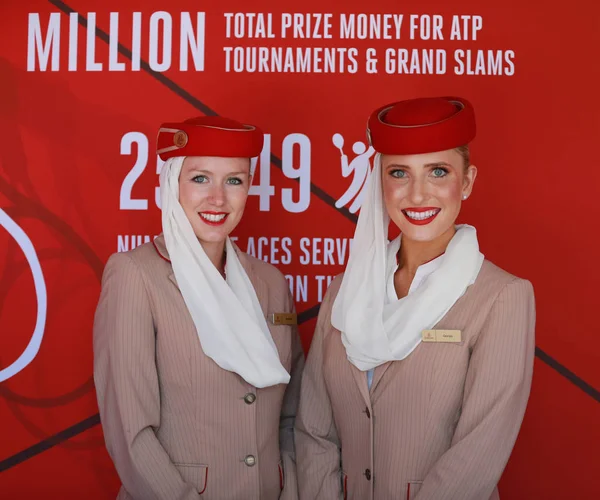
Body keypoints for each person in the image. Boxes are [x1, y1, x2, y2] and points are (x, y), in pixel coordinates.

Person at [295, 96, 536, 499]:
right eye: (400, 173)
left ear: (469, 181)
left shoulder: (503, 297)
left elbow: (477, 452)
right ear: (380, 182)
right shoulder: (344, 290)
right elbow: (314, 431)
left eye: (438, 172)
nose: (418, 194)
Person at [94, 116, 304, 500]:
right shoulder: (135, 275)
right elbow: (131, 435)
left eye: (234, 181)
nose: (218, 199)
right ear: (172, 183)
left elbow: (292, 417)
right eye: (200, 178)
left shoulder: (271, 283)